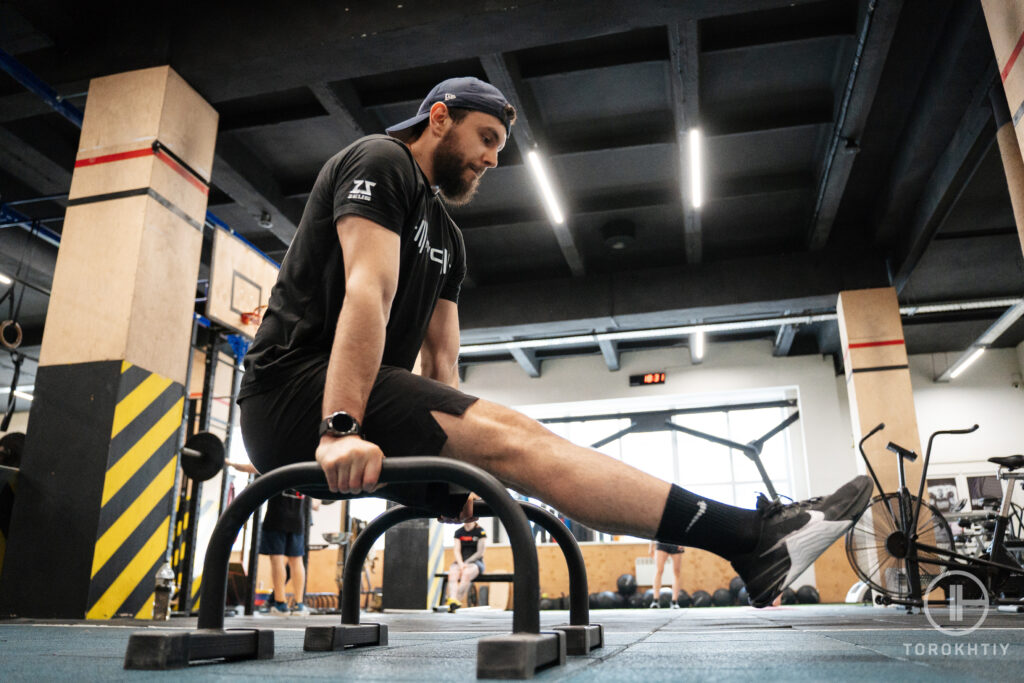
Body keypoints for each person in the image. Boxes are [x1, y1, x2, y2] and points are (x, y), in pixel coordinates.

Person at [237, 76, 873, 608]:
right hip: (294, 394)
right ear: (438, 118)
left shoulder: (449, 240)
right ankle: (749, 536)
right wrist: (341, 426)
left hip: (363, 396)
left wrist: (458, 470)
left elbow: (441, 365)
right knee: (517, 440)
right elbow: (368, 292)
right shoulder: (382, 161)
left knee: (510, 447)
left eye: (499, 148)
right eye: (485, 139)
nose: (492, 159)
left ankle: (750, 540)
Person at [229, 461, 317, 616]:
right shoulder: (305, 466)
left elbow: (251, 467)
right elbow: (316, 503)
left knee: (277, 560)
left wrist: (228, 462)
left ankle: (281, 604)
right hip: (297, 520)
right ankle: (299, 605)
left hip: (277, 518)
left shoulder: (276, 461)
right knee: (296, 561)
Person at [445, 520, 487, 612]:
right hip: (461, 562)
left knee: (466, 574)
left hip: (475, 562)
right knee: (452, 573)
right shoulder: (459, 532)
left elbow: (480, 552)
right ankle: (452, 600)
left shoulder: (480, 531)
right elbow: (456, 550)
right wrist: (460, 563)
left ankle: (457, 601)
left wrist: (466, 562)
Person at [649, 541, 685, 609]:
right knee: (659, 570)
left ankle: (674, 601)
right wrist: (651, 547)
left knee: (677, 572)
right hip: (662, 542)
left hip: (676, 542)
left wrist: (682, 543)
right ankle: (655, 600)